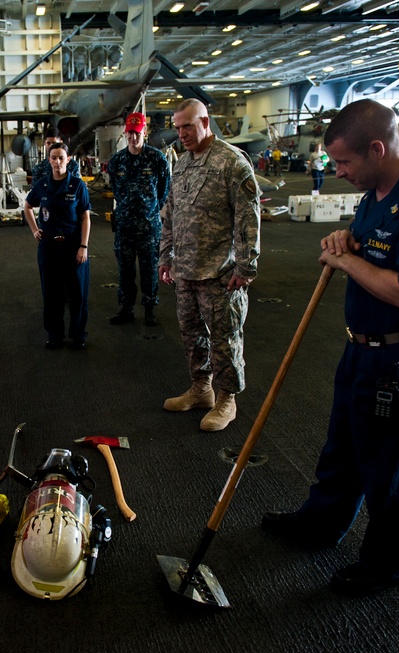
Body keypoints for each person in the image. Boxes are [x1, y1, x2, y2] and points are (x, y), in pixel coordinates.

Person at [261, 99, 399, 597]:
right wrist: (346, 241)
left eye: (346, 163)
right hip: (363, 350)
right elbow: (368, 244)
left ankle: (386, 563)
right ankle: (321, 523)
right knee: (344, 447)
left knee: (389, 467)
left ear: (378, 148)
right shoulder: (376, 192)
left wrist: (347, 264)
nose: (340, 172)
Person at [159, 99, 260, 432]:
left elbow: (249, 218)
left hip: (219, 272)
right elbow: (170, 215)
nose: (181, 134)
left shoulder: (231, 162)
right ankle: (201, 389)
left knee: (224, 338)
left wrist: (245, 267)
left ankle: (226, 398)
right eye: (177, 127)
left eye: (187, 126)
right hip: (185, 270)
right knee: (192, 336)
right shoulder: (183, 164)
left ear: (205, 122)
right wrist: (166, 256)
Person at [24, 141, 92, 350]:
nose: (57, 162)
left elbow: (85, 217)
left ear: (68, 159)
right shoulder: (43, 185)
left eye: (61, 157)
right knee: (51, 292)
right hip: (49, 247)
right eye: (53, 157)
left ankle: (78, 334)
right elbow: (27, 206)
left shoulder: (77, 185)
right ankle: (54, 334)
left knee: (77, 292)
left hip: (72, 245)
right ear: (49, 159)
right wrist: (35, 229)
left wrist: (84, 246)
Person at [108, 112, 171, 327]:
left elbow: (164, 191)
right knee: (125, 270)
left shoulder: (157, 159)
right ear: (125, 133)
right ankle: (126, 308)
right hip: (124, 226)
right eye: (130, 134)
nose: (133, 138)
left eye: (137, 133)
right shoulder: (117, 161)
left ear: (144, 132)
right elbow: (116, 189)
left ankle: (150, 308)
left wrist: (150, 209)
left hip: (149, 227)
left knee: (150, 269)